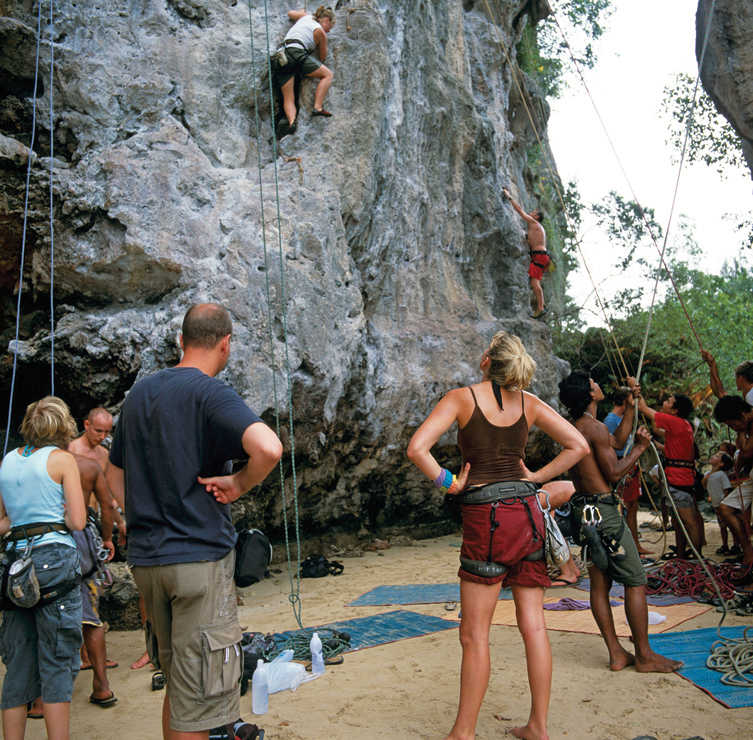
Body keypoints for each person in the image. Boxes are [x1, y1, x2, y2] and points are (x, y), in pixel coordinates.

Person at [107, 303, 283, 740]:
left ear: (181, 341)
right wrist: (240, 483)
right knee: (203, 699)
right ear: (225, 345)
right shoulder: (210, 392)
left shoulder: (139, 396)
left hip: (148, 565)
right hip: (198, 563)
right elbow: (270, 448)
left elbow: (113, 478)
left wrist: (140, 515)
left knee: (180, 685)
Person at [407, 331, 589, 740]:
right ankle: (538, 727)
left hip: (486, 519)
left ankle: (463, 733)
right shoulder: (531, 404)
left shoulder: (461, 398)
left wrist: (449, 482)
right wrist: (537, 477)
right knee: (535, 626)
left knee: (474, 634)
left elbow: (417, 448)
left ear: (487, 358)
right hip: (528, 514)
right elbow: (577, 445)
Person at [558, 372, 682, 674]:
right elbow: (613, 472)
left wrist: (629, 407)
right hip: (604, 512)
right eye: (593, 383)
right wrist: (640, 448)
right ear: (590, 394)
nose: (598, 384)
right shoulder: (595, 428)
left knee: (600, 583)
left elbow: (616, 441)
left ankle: (616, 653)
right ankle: (644, 655)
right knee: (636, 581)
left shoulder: (575, 428)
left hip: (585, 512)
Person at [0, 396, 87, 740]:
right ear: (62, 425)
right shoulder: (63, 460)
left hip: (15, 566)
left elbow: (3, 523)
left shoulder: (6, 461)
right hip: (55, 561)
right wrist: (58, 516)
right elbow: (77, 521)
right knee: (57, 662)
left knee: (18, 664)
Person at [636, 391, 703, 556]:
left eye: (669, 401)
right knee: (679, 521)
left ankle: (697, 556)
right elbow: (659, 432)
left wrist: (636, 390)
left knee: (688, 521)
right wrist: (653, 443)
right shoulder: (682, 425)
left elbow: (643, 408)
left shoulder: (675, 422)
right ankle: (682, 554)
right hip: (678, 478)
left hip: (678, 480)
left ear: (675, 410)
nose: (665, 402)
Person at [274, 6, 336, 137]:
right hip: (297, 53)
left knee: (289, 97)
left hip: (281, 56)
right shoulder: (320, 32)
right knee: (328, 75)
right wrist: (321, 42)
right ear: (326, 19)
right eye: (330, 26)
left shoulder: (305, 17)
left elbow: (290, 13)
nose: (329, 31)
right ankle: (317, 107)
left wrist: (301, 12)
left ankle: (291, 123)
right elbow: (323, 57)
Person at [603, 386, 650, 554]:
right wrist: (622, 468)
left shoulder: (622, 418)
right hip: (622, 465)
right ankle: (628, 546)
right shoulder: (611, 420)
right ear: (624, 401)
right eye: (631, 401)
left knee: (632, 505)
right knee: (624, 506)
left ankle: (635, 544)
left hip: (629, 466)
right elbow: (610, 447)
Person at [712, 395, 753, 582]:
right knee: (725, 508)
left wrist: (741, 432)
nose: (732, 429)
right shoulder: (745, 427)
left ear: (743, 415)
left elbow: (746, 452)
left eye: (732, 424)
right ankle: (748, 552)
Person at [502, 187, 549, 318]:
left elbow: (520, 212)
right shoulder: (538, 228)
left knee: (534, 282)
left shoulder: (534, 223)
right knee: (535, 281)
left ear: (537, 217)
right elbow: (532, 241)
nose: (531, 213)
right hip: (541, 256)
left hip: (539, 256)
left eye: (534, 212)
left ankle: (540, 307)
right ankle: (541, 306)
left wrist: (509, 196)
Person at [703, 448, 734, 556]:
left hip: (723, 505)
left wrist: (724, 503)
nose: (713, 456)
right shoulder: (707, 473)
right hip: (716, 505)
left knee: (730, 525)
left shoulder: (721, 475)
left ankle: (735, 545)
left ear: (721, 464)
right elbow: (705, 485)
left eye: (716, 456)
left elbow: (727, 490)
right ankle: (725, 545)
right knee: (722, 526)